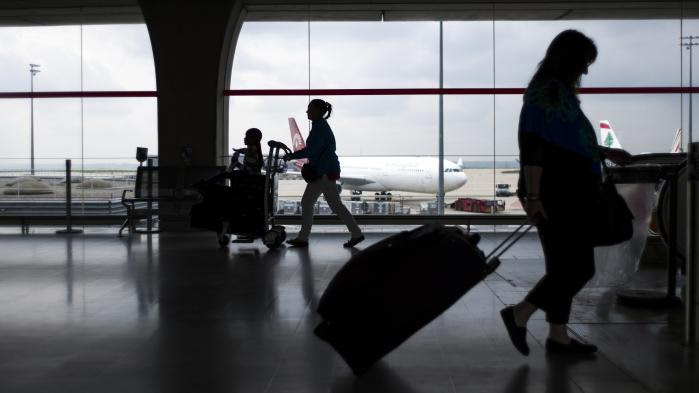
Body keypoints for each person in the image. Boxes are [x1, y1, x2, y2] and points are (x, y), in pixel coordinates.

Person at [500, 30, 632, 356]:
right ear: (569, 59)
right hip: (558, 193)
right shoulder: (545, 93)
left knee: (563, 266)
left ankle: (557, 336)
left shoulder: (558, 92)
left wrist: (603, 151)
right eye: (584, 62)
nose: (585, 71)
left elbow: (566, 141)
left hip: (568, 191)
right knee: (577, 268)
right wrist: (533, 197)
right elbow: (532, 147)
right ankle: (519, 314)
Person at [283, 99, 364, 248]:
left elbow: (312, 150)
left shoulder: (320, 128)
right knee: (310, 203)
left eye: (309, 109)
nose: (307, 112)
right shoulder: (320, 127)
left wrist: (291, 156)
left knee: (330, 205)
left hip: (323, 173)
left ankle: (356, 233)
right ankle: (303, 237)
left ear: (318, 111)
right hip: (323, 173)